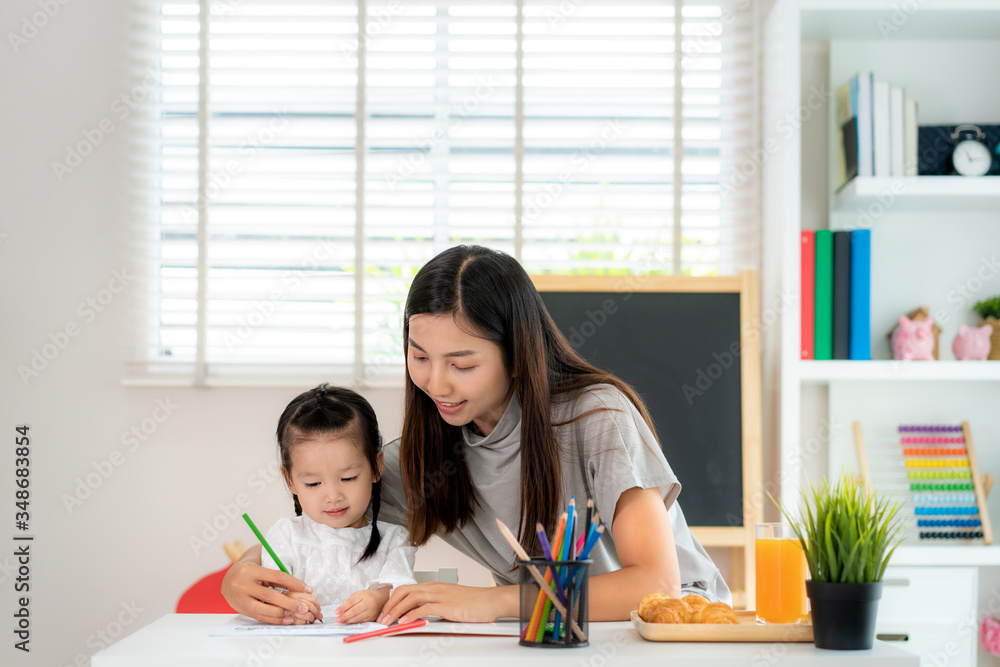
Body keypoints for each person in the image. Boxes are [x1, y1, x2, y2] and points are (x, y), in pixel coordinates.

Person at [223, 245, 728, 625]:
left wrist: (495, 601)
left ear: (516, 354)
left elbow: (654, 583)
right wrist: (242, 575)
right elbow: (319, 521)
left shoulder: (596, 418)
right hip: (543, 638)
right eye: (419, 357)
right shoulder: (422, 459)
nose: (436, 384)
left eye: (461, 364)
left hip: (667, 631)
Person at [257, 384, 415, 624]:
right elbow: (269, 596)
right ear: (290, 480)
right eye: (313, 483)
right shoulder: (286, 535)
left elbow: (401, 590)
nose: (333, 496)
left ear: (377, 466)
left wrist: (377, 600)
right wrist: (290, 602)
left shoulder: (393, 539)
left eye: (348, 478)